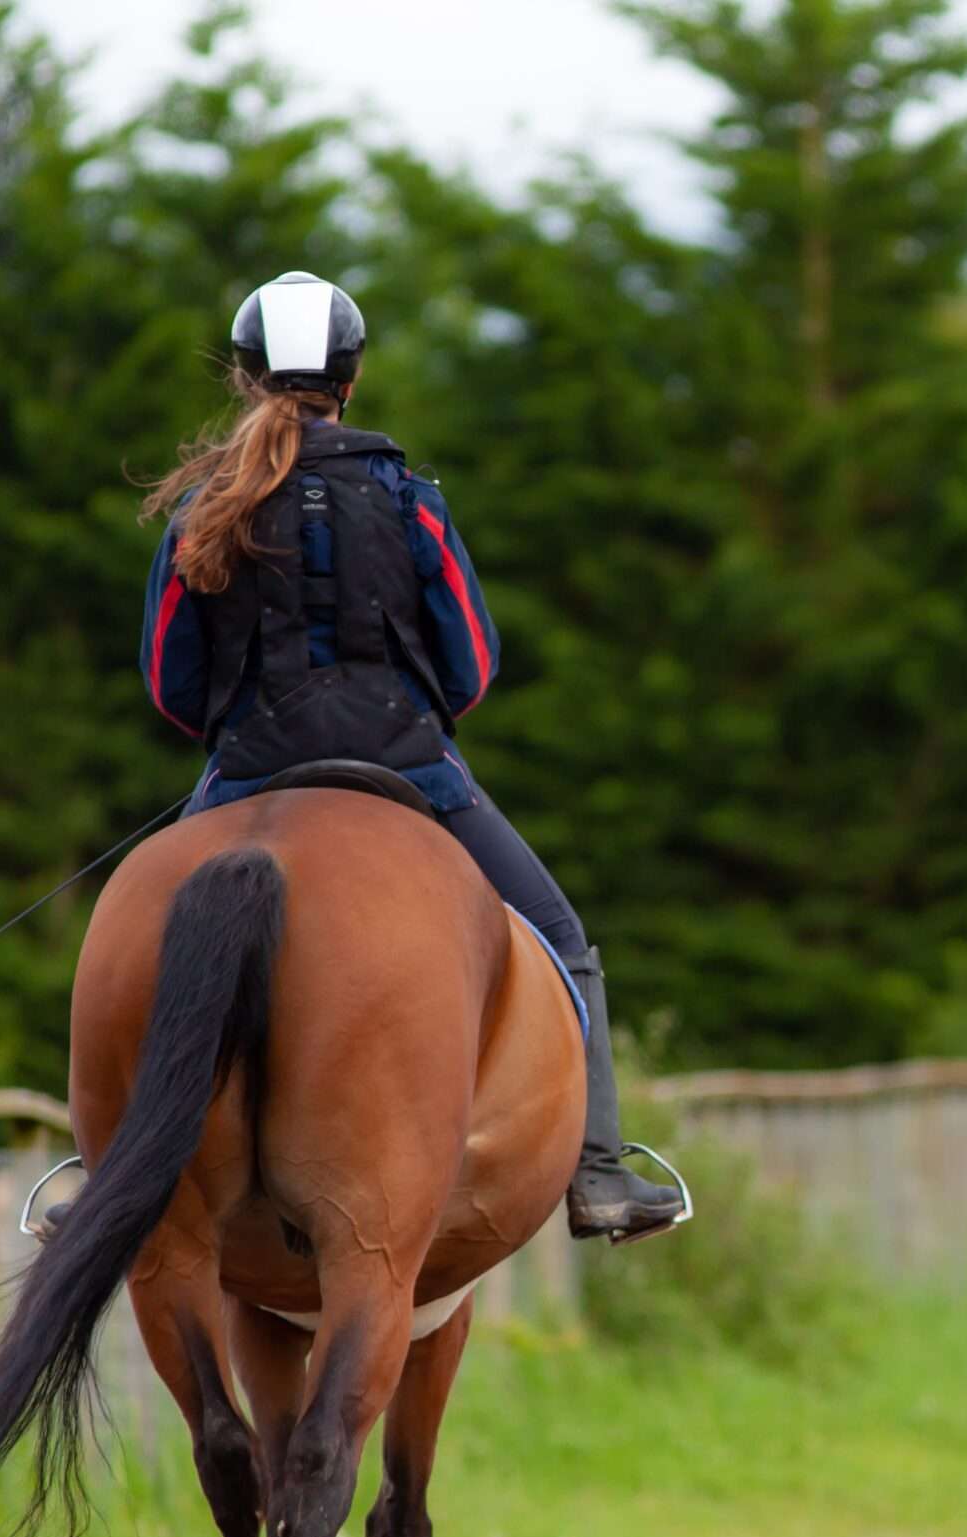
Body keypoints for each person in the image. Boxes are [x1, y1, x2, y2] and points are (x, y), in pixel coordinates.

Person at [137, 269, 686, 1245]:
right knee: (562, 937)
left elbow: (169, 684)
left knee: (145, 948)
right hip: (413, 771)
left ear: (244, 376)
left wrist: (240, 730)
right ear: (350, 379)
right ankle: (598, 1173)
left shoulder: (201, 510)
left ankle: (103, 1166)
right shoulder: (410, 498)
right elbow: (470, 660)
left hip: (248, 774)